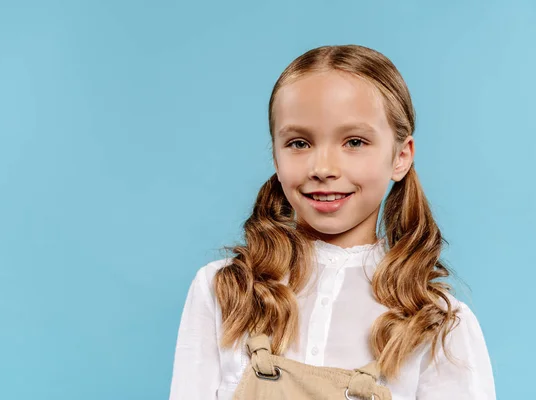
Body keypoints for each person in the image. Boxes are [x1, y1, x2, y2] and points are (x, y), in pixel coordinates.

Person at [168, 44, 496, 399]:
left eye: (354, 141)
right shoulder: (225, 291)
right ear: (276, 156)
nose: (323, 168)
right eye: (299, 143)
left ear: (400, 157)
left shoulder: (440, 327)